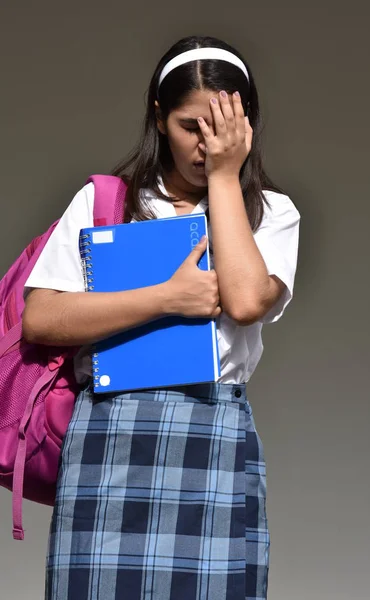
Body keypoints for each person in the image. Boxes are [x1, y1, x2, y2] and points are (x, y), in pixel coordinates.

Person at [22, 35, 300, 600]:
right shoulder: (106, 201)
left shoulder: (270, 212)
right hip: (108, 432)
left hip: (213, 428)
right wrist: (166, 297)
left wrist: (225, 178)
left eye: (221, 129)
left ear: (246, 126)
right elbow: (41, 319)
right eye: (189, 127)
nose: (205, 145)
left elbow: (247, 303)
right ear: (158, 116)